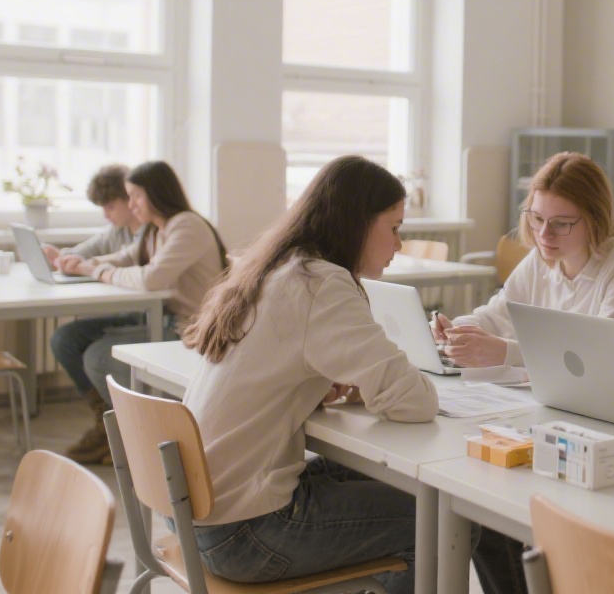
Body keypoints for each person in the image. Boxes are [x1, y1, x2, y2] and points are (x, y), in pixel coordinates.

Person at [181, 156, 525, 594]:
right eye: (394, 228)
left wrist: (336, 381)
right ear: (358, 223)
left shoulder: (280, 267)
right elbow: (418, 401)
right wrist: (374, 381)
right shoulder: (320, 283)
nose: (398, 244)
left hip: (199, 513)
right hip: (245, 532)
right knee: (444, 524)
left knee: (388, 483)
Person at [53, 161, 227, 464]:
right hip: (158, 317)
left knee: (98, 357)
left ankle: (137, 435)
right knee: (66, 338)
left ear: (157, 194)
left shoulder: (187, 226)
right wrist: (80, 264)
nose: (131, 204)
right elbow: (123, 259)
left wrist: (94, 270)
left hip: (187, 327)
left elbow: (150, 279)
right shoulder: (154, 231)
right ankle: (109, 427)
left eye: (136, 196)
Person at [432, 152, 614, 369]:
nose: (544, 234)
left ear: (595, 219)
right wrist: (454, 329)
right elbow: (497, 316)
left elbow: (605, 351)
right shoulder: (539, 259)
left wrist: (508, 353)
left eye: (560, 223)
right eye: (538, 219)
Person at [42, 163, 144, 271]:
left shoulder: (150, 235)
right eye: (103, 208)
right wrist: (59, 256)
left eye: (110, 207)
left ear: (130, 198)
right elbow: (84, 251)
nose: (106, 215)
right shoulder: (116, 231)